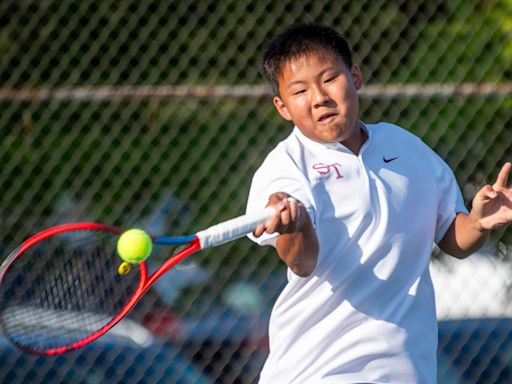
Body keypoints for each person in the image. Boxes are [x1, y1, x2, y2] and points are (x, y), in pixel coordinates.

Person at [245, 23, 512, 383]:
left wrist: (479, 222)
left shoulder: (406, 147)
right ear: (283, 107)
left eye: (329, 79)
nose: (319, 97)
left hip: (408, 372)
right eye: (300, 91)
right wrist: (298, 225)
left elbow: (453, 239)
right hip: (317, 373)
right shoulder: (286, 167)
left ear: (355, 77)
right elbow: (302, 262)